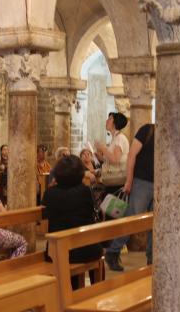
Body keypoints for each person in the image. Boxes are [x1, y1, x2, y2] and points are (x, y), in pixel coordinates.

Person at [42, 155, 103, 288]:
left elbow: (46, 213)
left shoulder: (49, 194)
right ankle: (98, 290)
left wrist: (52, 187)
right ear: (80, 174)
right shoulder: (85, 191)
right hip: (87, 249)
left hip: (57, 252)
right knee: (94, 249)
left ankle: (72, 292)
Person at [105, 123, 155, 271]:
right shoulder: (147, 130)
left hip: (161, 185)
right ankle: (113, 252)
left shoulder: (170, 135)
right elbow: (132, 155)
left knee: (156, 223)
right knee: (132, 219)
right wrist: (129, 181)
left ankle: (152, 258)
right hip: (142, 183)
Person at [95, 112, 130, 194]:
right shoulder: (114, 138)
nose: (106, 120)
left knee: (112, 206)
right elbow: (110, 160)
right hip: (112, 179)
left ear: (115, 123)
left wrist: (103, 148)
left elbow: (115, 160)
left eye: (110, 118)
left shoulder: (120, 138)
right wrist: (99, 156)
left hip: (117, 180)